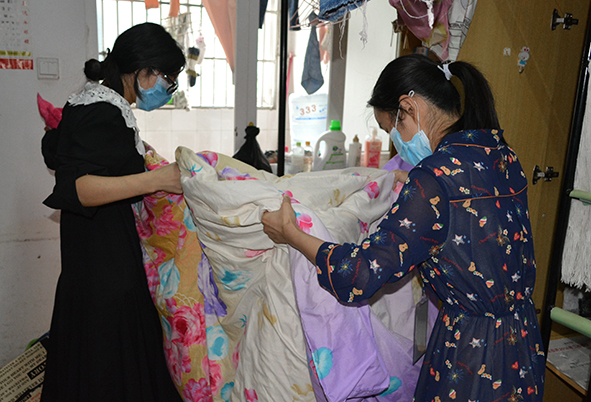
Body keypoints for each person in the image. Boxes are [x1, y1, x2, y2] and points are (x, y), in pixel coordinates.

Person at [262, 54, 545, 402]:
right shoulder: (503, 155)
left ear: (408, 108)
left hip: (471, 359)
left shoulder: (433, 178)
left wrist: (292, 234)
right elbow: (471, 218)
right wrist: (415, 186)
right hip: (522, 346)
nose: (398, 143)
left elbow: (359, 274)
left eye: (392, 131)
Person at [40, 23, 185, 402]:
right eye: (167, 79)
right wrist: (156, 180)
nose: (167, 89)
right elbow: (78, 188)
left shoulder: (92, 104)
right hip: (105, 270)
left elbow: (73, 157)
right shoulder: (102, 111)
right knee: (109, 371)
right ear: (143, 70)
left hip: (95, 263)